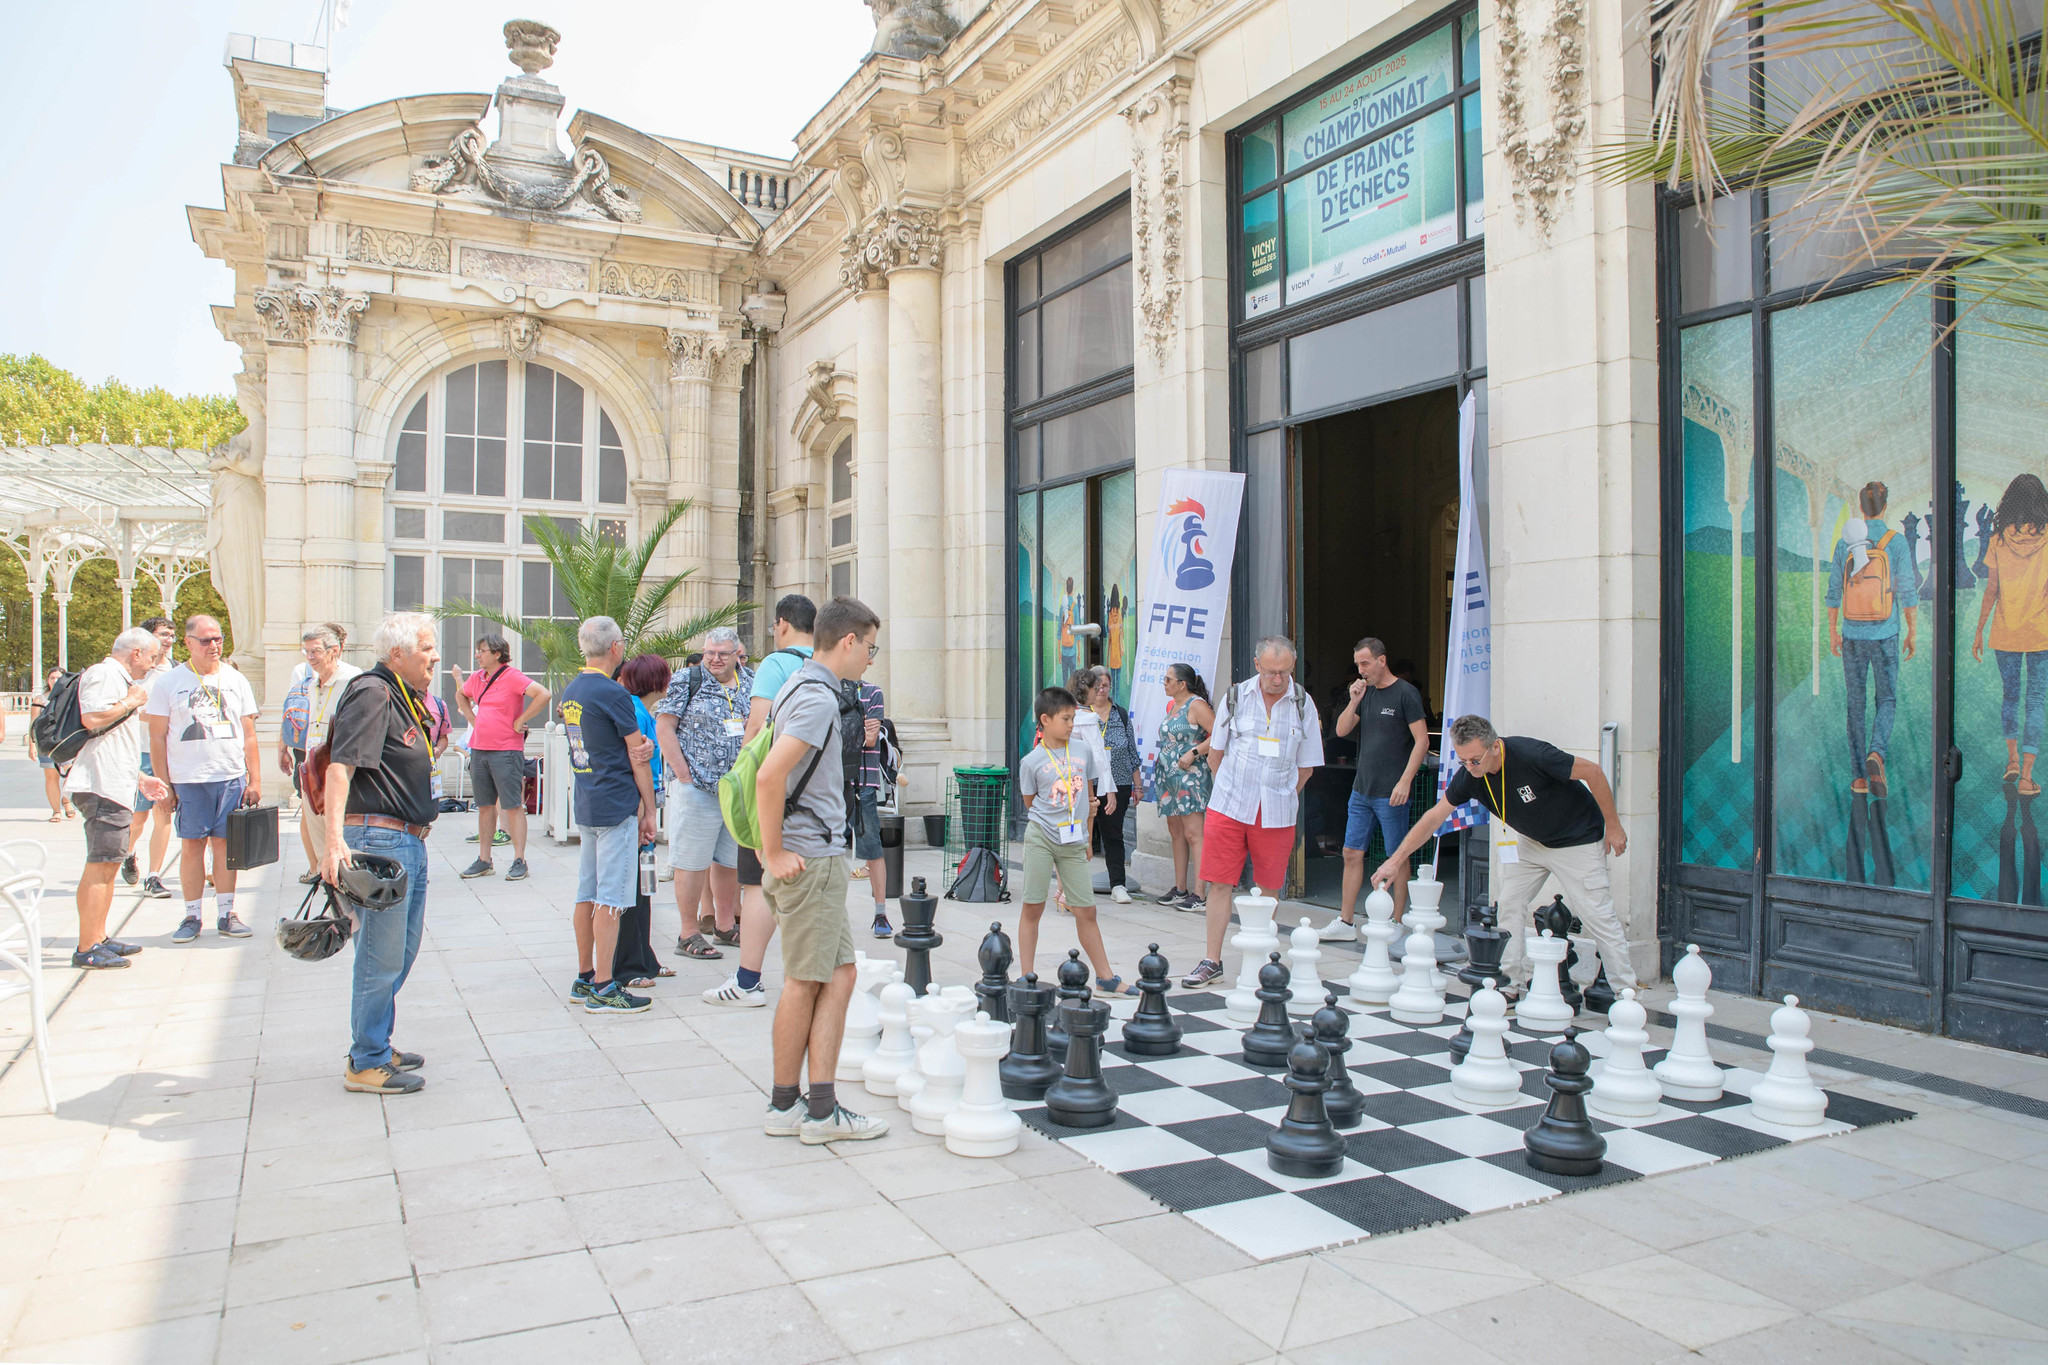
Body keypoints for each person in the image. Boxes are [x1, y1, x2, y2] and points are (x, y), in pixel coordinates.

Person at [1373, 713, 1636, 1004]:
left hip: (1578, 840)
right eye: (1463, 761)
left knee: (1598, 917)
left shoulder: (1533, 755)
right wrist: (1395, 861)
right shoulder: (1470, 776)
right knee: (1509, 903)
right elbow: (1435, 817)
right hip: (1532, 842)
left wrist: (1613, 826)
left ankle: (1626, 994)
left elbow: (1594, 772)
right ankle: (1510, 984)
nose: (1470, 768)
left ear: (1495, 746)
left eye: (1475, 760)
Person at [758, 595, 888, 1143]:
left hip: (815, 853)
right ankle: (797, 1109)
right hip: (810, 857)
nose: (871, 660)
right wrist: (772, 852)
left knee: (839, 974)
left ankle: (813, 1104)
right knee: (803, 981)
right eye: (870, 648)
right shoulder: (815, 697)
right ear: (849, 641)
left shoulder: (800, 685)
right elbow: (769, 776)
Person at [322, 612, 442, 1095]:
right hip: (380, 840)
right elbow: (340, 767)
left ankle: (376, 1041)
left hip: (406, 839)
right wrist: (333, 841)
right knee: (380, 956)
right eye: (427, 649)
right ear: (397, 655)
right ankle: (366, 1060)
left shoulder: (402, 694)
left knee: (400, 952)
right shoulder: (373, 692)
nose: (435, 657)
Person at [1180, 637, 1324, 988]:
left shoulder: (1303, 703)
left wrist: (1282, 794)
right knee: (1219, 883)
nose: (1278, 679)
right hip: (1229, 806)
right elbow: (1215, 755)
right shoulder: (1236, 697)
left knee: (1269, 887)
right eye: (1272, 671)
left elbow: (1306, 766)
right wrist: (1231, 790)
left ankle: (1261, 958)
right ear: (1257, 665)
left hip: (1276, 811)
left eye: (1285, 672)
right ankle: (1211, 960)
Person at [706, 594, 815, 1009]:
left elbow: (756, 726)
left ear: (782, 624)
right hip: (817, 794)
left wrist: (741, 778)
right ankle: (809, 978)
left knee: (756, 884)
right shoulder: (828, 666)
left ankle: (747, 981)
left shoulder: (777, 663)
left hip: (775, 788)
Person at [561, 617, 660, 1014]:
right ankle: (604, 984)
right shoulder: (613, 693)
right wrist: (649, 808)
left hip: (588, 798)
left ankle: (585, 975)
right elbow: (637, 756)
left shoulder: (573, 689)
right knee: (611, 898)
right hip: (616, 803)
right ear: (616, 647)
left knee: (587, 891)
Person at [147, 615, 261, 944]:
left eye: (218, 639)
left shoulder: (235, 679)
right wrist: (164, 785)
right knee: (192, 845)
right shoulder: (169, 683)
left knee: (225, 846)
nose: (214, 646)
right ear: (188, 643)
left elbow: (248, 734)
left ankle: (226, 913)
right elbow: (157, 738)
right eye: (206, 640)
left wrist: (255, 780)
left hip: (229, 776)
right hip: (189, 778)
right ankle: (192, 915)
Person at [1016, 686, 1137, 993]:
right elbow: (1030, 803)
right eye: (1065, 719)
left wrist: (1087, 833)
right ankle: (1026, 976)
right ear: (1045, 720)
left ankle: (1106, 977)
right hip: (1042, 837)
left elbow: (1089, 795)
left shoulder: (1082, 751)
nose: (1072, 724)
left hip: (1074, 840)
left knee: (1086, 909)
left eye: (1073, 718)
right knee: (1033, 906)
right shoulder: (1031, 761)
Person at [63, 628, 169, 969]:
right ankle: (87, 947)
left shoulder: (117, 678)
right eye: (151, 657)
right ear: (135, 653)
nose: (152, 664)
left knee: (109, 865)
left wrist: (139, 778)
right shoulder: (105, 674)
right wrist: (131, 702)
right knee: (100, 866)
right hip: (101, 788)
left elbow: (110, 741)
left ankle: (99, 936)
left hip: (114, 784)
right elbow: (92, 719)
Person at [1322, 636, 1431, 941]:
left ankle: (1397, 921)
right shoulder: (1365, 692)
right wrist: (1354, 699)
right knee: (1350, 851)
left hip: (1391, 790)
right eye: (1358, 664)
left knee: (1397, 856)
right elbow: (1341, 730)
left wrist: (1405, 780)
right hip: (1362, 788)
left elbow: (1422, 741)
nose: (1361, 669)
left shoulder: (1406, 693)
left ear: (1382, 660)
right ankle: (1346, 921)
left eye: (1365, 663)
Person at [655, 627, 752, 960]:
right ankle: (688, 932)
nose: (715, 659)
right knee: (692, 861)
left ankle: (725, 924)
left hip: (735, 789)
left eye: (723, 654)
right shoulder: (687, 680)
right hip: (698, 786)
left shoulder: (749, 683)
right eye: (710, 652)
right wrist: (683, 774)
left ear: (737, 655)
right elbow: (664, 726)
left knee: (728, 859)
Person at [1827, 480, 1919, 798]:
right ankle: (1876, 752)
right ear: (1885, 505)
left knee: (1855, 704)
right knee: (1887, 699)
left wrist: (1832, 631)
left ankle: (1858, 778)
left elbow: (1833, 592)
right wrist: (1912, 631)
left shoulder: (1845, 544)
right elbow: (1907, 590)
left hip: (1852, 634)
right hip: (1885, 634)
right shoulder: (1896, 541)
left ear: (1861, 507)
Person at [1973, 473, 2048, 796]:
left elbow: (1992, 590)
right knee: (2036, 700)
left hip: (2005, 631)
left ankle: (2012, 760)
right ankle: (2028, 778)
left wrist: (1979, 630)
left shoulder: (1998, 540)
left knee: (2010, 696)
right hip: (2041, 632)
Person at [451, 634, 549, 881]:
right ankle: (484, 860)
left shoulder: (512, 676)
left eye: (482, 650)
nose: (477, 655)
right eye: (477, 650)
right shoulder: (477, 677)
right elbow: (461, 694)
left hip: (506, 750)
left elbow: (543, 694)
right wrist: (471, 718)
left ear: (497, 654)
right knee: (484, 806)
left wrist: (521, 720)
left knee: (513, 806)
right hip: (479, 749)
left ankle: (520, 860)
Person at [279, 625, 362, 886]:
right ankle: (323, 876)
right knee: (317, 832)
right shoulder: (311, 682)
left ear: (334, 650)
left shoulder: (353, 680)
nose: (310, 657)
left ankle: (345, 884)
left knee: (339, 835)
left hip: (339, 766)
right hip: (312, 766)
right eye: (307, 652)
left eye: (315, 651)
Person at [614, 653, 674, 989]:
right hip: (638, 810)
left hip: (646, 807)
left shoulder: (642, 711)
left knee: (644, 888)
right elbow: (636, 764)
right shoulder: (635, 711)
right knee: (634, 890)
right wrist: (644, 812)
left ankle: (645, 956)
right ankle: (630, 962)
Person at [122, 618, 179, 898]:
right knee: (138, 818)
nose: (169, 640)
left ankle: (154, 876)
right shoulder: (135, 671)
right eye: (163, 634)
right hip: (140, 750)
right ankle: (128, 852)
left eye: (172, 635)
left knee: (163, 813)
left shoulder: (177, 670)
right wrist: (153, 716)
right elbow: (124, 708)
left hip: (168, 752)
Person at [1152, 663, 1214, 910]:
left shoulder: (1196, 705)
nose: (1164, 683)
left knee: (1193, 833)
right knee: (1176, 832)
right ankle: (1180, 888)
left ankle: (1200, 894)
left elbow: (1218, 735)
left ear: (1182, 684)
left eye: (1168, 679)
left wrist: (1193, 753)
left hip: (1191, 777)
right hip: (1169, 777)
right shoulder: (1172, 706)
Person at [1080, 667, 1142, 903]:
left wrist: (1138, 786)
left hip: (1118, 784)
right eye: (1097, 686)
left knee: (1113, 834)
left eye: (1105, 685)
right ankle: (1075, 884)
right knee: (1080, 834)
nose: (1101, 690)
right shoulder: (1081, 714)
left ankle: (1118, 885)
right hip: (1087, 784)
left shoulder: (1120, 714)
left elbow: (1131, 753)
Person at [849, 675, 893, 937]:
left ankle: (880, 913)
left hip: (863, 783)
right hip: (829, 782)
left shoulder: (872, 692)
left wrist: (845, 731)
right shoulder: (824, 688)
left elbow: (869, 740)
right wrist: (859, 728)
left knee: (873, 848)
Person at [29, 667, 74, 822]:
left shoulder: (70, 696)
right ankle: (56, 811)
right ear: (47, 680)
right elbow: (33, 723)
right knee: (51, 777)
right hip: (46, 743)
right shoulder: (40, 699)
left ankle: (66, 800)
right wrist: (32, 745)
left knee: (71, 774)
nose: (55, 680)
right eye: (51, 678)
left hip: (67, 741)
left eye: (58, 677)